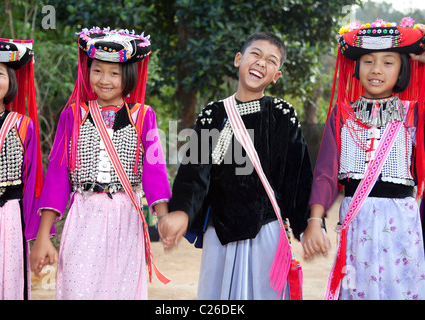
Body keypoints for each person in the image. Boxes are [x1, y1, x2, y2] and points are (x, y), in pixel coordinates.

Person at [160, 32, 317, 300]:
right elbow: (195, 171)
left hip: (267, 229)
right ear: (238, 59)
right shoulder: (213, 114)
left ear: (276, 75)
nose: (260, 63)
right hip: (220, 231)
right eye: (255, 54)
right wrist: (183, 211)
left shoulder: (282, 115)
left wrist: (310, 225)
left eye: (271, 60)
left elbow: (298, 176)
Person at [30, 27, 171, 300]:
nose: (104, 79)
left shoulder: (143, 116)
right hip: (84, 213)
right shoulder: (72, 115)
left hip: (126, 216)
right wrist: (44, 235)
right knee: (78, 286)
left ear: (128, 76)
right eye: (97, 70)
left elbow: (155, 171)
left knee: (121, 289)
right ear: (87, 71)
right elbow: (57, 176)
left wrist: (163, 217)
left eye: (114, 73)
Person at [306, 19, 425, 300]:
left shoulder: (415, 113)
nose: (376, 70)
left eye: (388, 62)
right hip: (356, 219)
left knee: (400, 289)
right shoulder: (342, 114)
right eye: (368, 61)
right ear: (356, 68)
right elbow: (325, 172)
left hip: (401, 221)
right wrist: (314, 219)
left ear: (403, 69)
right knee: (359, 287)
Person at [0, 35, 46, 299]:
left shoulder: (22, 125)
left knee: (6, 287)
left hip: (7, 221)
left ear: (11, 81)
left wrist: (37, 234)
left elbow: (32, 182)